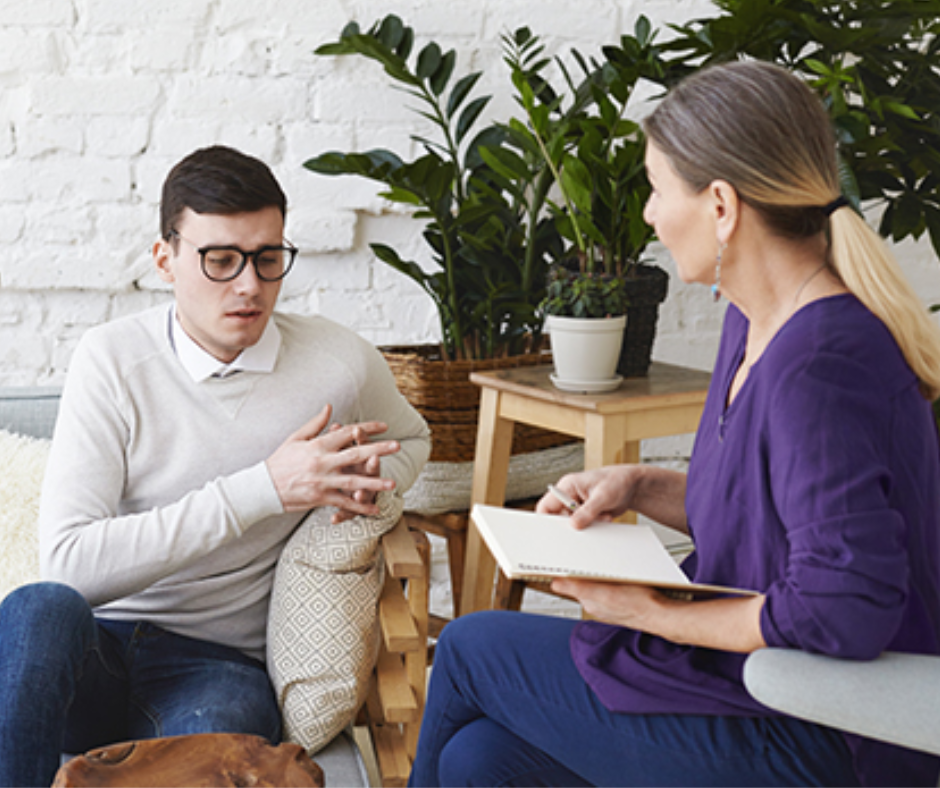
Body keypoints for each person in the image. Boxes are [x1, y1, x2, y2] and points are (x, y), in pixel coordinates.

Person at [409, 60, 940, 788]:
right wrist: (637, 485)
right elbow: (775, 516)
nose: (652, 216)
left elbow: (843, 611)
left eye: (658, 189)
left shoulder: (820, 364)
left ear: (721, 205)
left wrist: (647, 613)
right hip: (748, 684)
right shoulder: (753, 323)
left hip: (822, 731)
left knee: (471, 647)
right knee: (479, 761)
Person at [0, 145, 430, 787]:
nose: (250, 285)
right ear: (165, 260)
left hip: (217, 665)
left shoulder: (337, 363)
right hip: (97, 649)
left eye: (268, 258)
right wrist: (264, 489)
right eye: (221, 260)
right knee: (39, 607)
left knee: (226, 752)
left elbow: (413, 438)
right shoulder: (112, 360)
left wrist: (366, 484)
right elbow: (70, 564)